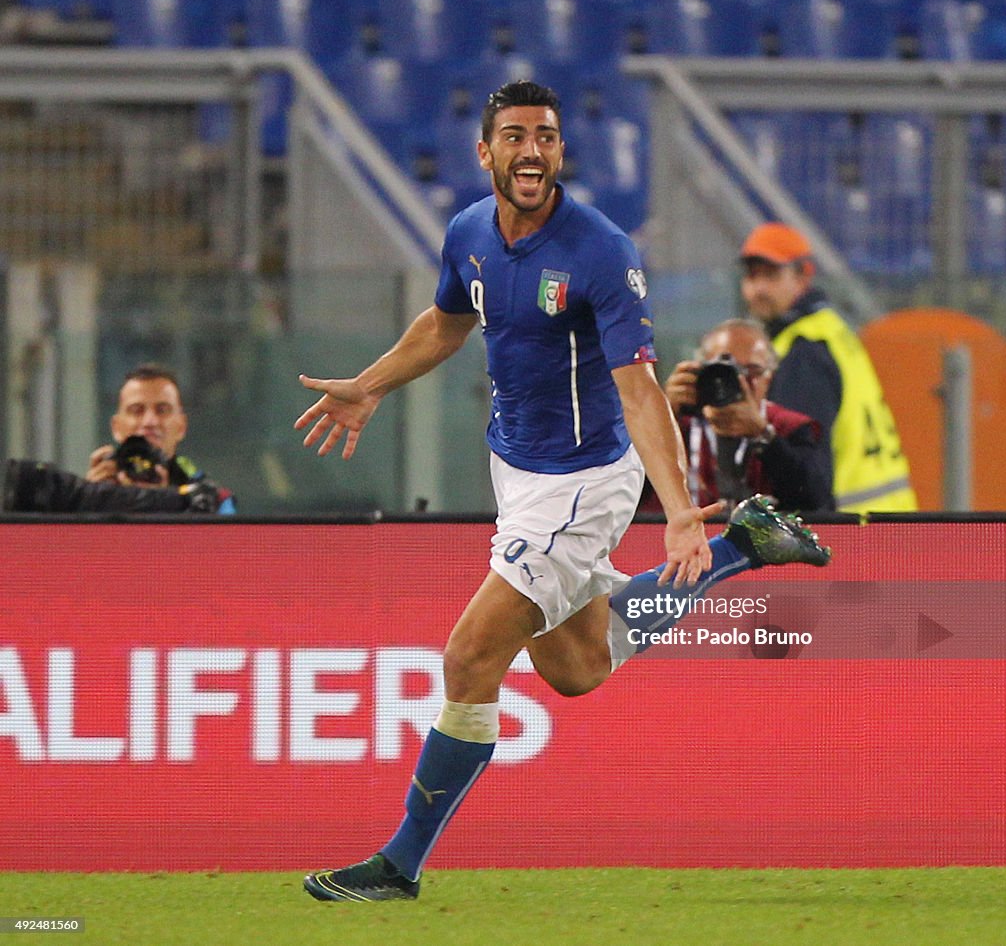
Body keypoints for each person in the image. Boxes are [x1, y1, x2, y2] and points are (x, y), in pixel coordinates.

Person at [294, 81, 831, 903]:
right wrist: (370, 385)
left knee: (470, 656)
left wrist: (678, 506)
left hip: (585, 481)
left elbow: (642, 389)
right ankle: (743, 548)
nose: (531, 150)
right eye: (514, 136)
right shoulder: (468, 232)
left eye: (545, 136)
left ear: (559, 152)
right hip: (515, 469)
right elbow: (447, 320)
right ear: (486, 153)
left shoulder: (601, 251)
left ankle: (399, 863)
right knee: (575, 667)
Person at [739, 222, 917, 513]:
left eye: (771, 275)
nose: (757, 288)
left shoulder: (803, 350)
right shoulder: (833, 332)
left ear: (803, 276)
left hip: (851, 526)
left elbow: (805, 468)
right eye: (751, 276)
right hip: (886, 515)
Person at [643, 318, 833, 514]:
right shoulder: (679, 425)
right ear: (701, 371)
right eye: (726, 371)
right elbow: (632, 489)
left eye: (752, 371)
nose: (740, 382)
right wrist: (663, 415)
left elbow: (817, 500)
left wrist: (764, 436)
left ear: (770, 377)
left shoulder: (792, 427)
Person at [2, 363, 235, 515]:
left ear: (182, 426)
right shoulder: (90, 492)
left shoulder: (211, 500)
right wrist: (88, 505)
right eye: (136, 410)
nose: (150, 421)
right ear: (116, 427)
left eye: (162, 410)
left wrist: (170, 502)